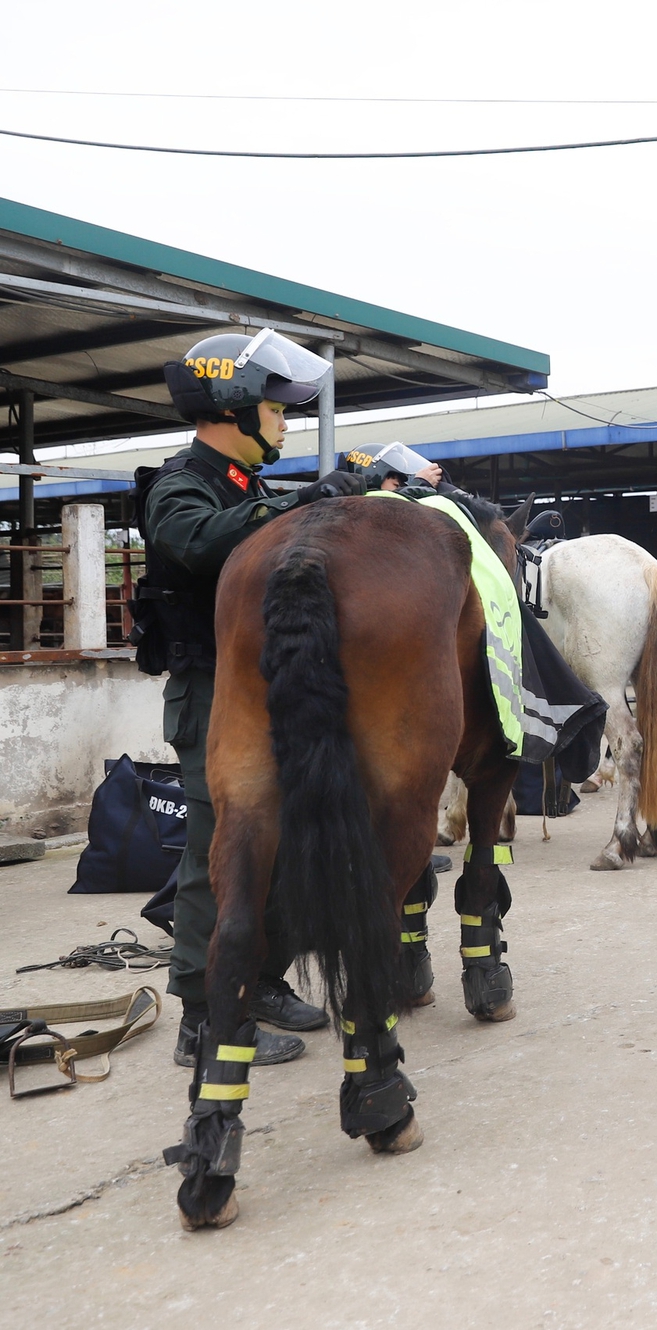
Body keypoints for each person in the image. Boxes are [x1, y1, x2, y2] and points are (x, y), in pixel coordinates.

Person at [136, 329, 368, 1066]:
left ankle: (259, 978)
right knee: (218, 853)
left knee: (285, 840)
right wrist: (300, 508)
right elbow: (200, 542)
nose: (285, 422)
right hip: (209, 695)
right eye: (275, 410)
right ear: (235, 408)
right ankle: (201, 1017)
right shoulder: (180, 485)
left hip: (268, 688)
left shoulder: (250, 487)